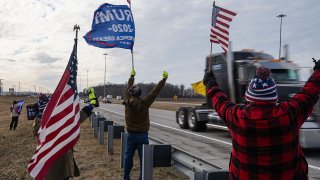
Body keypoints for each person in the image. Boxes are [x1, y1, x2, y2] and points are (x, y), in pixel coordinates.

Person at [203, 59, 320, 180]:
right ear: (274, 97)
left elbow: (220, 101)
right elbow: (309, 93)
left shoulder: (236, 116)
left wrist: (211, 83)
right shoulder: (290, 114)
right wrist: (318, 71)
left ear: (249, 97)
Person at [122, 68, 168, 180]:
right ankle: (142, 178)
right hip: (142, 135)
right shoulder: (145, 103)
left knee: (128, 157)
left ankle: (125, 177)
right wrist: (163, 79)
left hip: (131, 135)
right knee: (144, 159)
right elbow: (155, 92)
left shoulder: (127, 102)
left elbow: (128, 89)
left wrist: (131, 77)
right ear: (139, 94)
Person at [44, 86, 98, 180]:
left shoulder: (49, 115)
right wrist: (91, 105)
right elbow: (76, 119)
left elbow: (76, 119)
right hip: (56, 162)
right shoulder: (56, 119)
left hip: (52, 163)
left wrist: (91, 105)